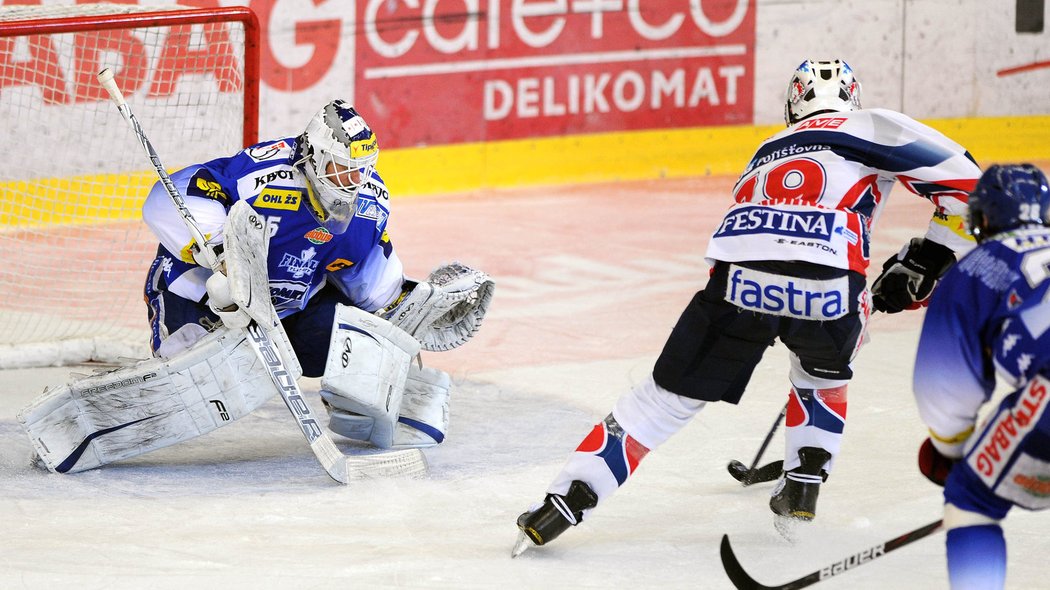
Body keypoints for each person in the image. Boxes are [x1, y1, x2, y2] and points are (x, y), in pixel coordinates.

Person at [513, 59, 981, 553]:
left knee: (661, 403)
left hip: (736, 277)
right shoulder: (870, 123)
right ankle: (804, 482)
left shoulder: (767, 149)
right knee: (823, 371)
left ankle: (562, 505)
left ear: (793, 105)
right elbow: (968, 186)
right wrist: (929, 258)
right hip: (830, 283)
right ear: (852, 98)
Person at [19, 100, 493, 474]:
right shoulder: (261, 176)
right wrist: (221, 259)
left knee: (358, 334)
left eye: (359, 170)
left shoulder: (367, 206)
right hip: (201, 296)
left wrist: (420, 308)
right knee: (194, 378)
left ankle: (361, 410)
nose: (351, 183)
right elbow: (165, 199)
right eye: (341, 170)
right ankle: (85, 422)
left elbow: (376, 290)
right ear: (312, 156)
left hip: (288, 311)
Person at [912, 164, 1050, 589]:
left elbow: (944, 383)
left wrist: (949, 449)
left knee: (971, 501)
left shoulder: (978, 265)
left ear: (983, 218)